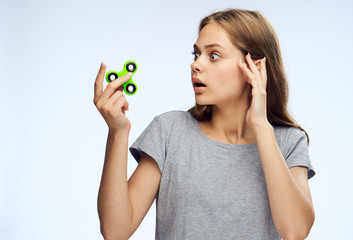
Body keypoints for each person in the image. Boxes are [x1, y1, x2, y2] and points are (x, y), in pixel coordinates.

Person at [93, 8, 315, 240]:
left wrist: (261, 125)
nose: (196, 65)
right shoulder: (170, 131)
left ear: (255, 68)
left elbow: (295, 232)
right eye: (196, 54)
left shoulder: (288, 141)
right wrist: (117, 132)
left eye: (214, 55)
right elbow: (115, 231)